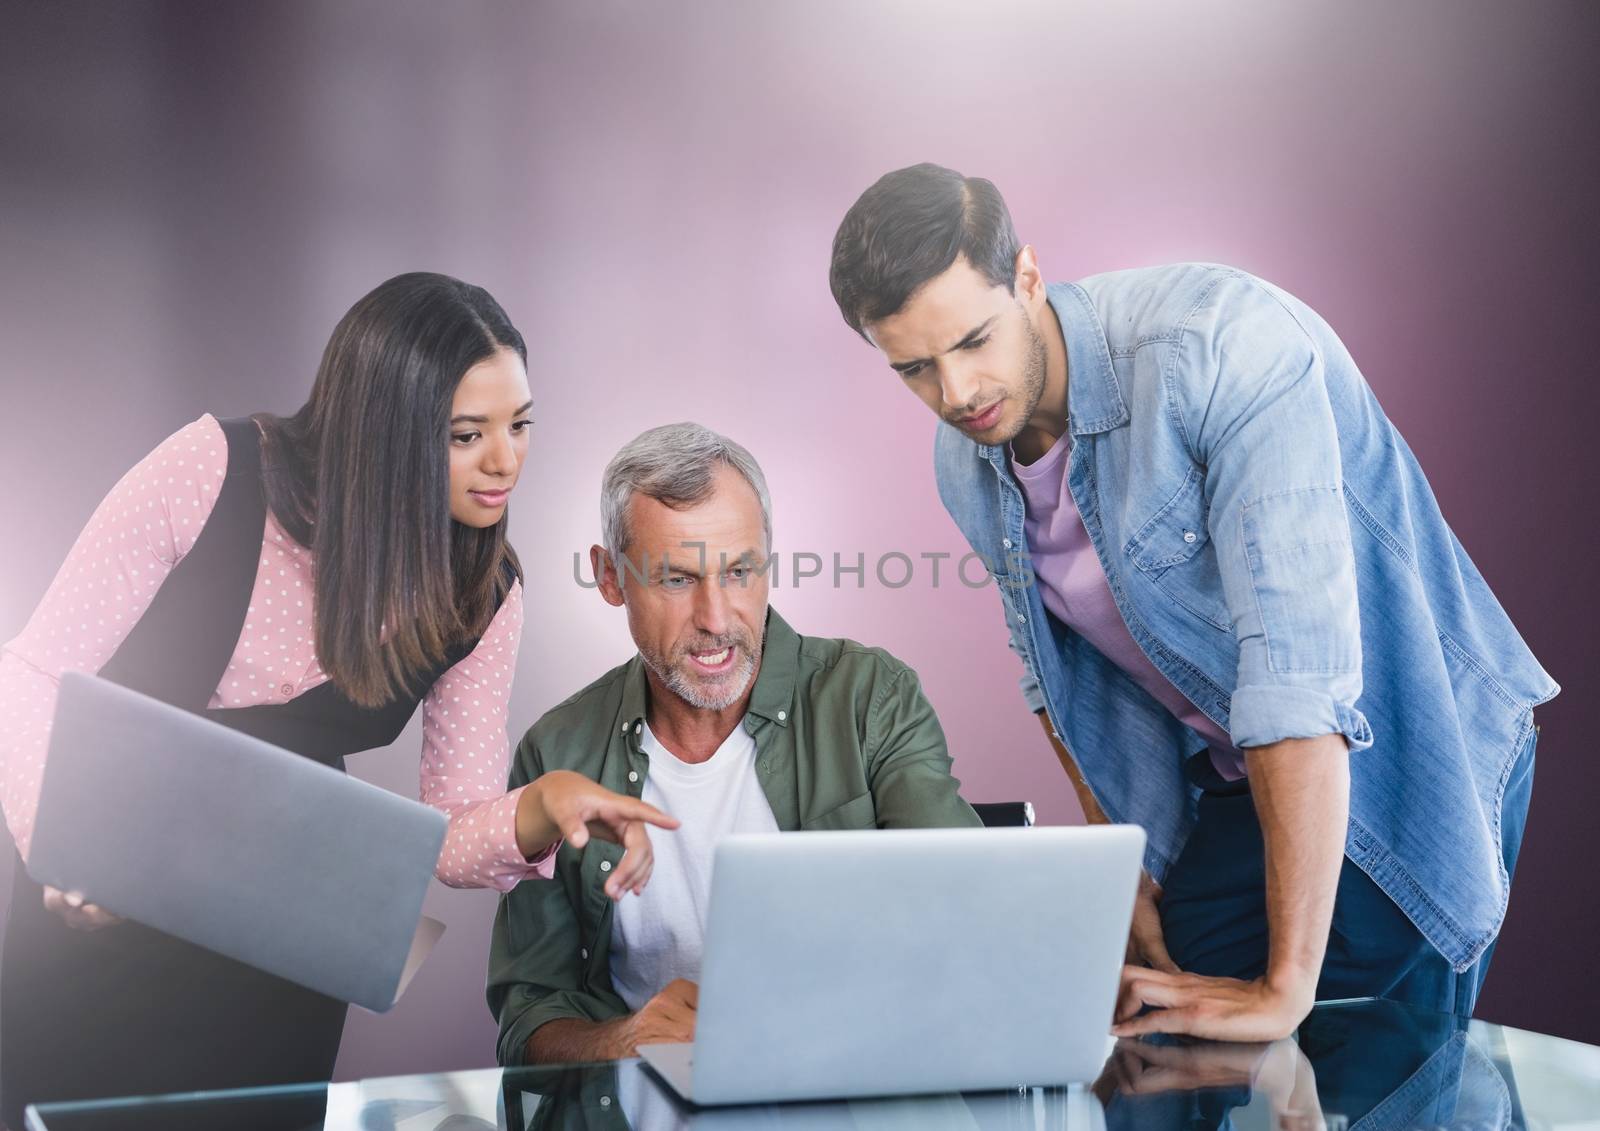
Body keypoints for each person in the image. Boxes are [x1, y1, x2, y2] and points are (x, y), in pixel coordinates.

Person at [827, 164, 1558, 1042]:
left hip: (1396, 754)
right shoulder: (965, 465)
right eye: (914, 367)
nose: (957, 393)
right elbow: (1054, 678)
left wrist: (1285, 986)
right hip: (1230, 783)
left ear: (1026, 277)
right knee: (1163, 1042)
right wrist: (1119, 868)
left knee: (1371, 1078)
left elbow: (1295, 672)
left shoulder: (1221, 345)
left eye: (975, 340)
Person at [0, 272, 673, 1124]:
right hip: (101, 911)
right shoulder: (212, 468)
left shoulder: (484, 588)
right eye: (468, 434)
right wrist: (56, 843)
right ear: (383, 430)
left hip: (279, 952)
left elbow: (450, 828)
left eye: (519, 424)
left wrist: (542, 806)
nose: (506, 460)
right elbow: (28, 672)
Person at [487, 422, 982, 1066]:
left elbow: (968, 915)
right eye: (674, 579)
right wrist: (627, 1042)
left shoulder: (870, 698)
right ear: (610, 578)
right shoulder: (556, 753)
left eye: (740, 571)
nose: (716, 619)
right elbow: (529, 1016)